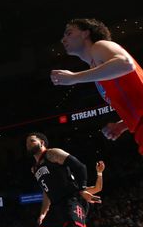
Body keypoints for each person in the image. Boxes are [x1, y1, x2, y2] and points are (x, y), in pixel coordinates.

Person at [51, 18, 143, 152]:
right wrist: (122, 125)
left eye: (69, 33)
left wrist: (74, 77)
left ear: (85, 33)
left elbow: (126, 64)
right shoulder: (96, 67)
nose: (63, 39)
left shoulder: (99, 46)